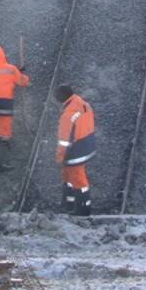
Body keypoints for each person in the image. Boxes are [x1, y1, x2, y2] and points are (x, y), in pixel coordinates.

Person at [53, 84, 94, 216]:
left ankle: (83, 209)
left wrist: (59, 157)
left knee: (78, 178)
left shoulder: (67, 115)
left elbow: (64, 141)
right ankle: (68, 203)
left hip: (75, 150)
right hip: (87, 142)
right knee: (67, 175)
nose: (55, 97)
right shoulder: (82, 104)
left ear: (63, 96)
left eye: (57, 95)